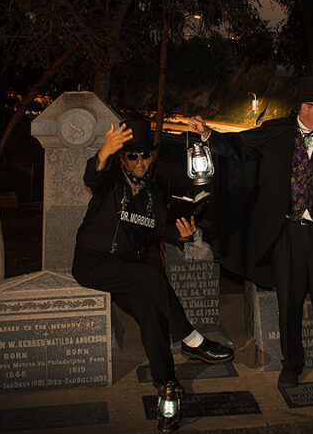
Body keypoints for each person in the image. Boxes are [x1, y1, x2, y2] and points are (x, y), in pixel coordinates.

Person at [189, 75, 313, 388]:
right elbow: (240, 149)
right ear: (304, 107)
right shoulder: (277, 133)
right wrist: (209, 133)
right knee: (288, 303)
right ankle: (291, 364)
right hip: (286, 233)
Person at [71, 120, 233, 395]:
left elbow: (162, 227)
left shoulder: (153, 193)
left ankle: (166, 381)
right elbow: (92, 177)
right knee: (152, 275)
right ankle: (191, 339)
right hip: (93, 263)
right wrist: (103, 152)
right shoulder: (110, 182)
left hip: (126, 268)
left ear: (151, 156)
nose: (139, 161)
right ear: (122, 157)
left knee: (151, 313)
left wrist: (183, 234)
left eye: (145, 155)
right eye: (132, 155)